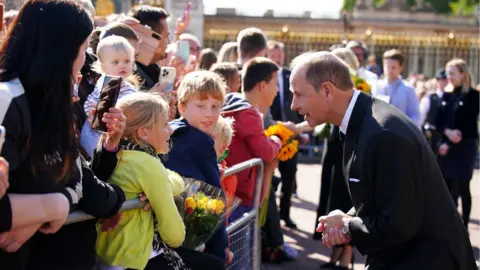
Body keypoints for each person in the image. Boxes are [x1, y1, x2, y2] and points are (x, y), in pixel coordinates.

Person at [289, 51, 476, 270]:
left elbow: (398, 224)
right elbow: (382, 196)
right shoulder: (366, 121)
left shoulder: (383, 133)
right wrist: (347, 217)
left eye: (299, 94)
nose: (293, 105)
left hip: (427, 260)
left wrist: (348, 227)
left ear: (327, 90)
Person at [0, 1, 125, 269]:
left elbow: (74, 180)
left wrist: (53, 205)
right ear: (62, 52)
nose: (86, 59)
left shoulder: (55, 107)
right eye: (84, 49)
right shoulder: (6, 99)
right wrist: (48, 207)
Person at [164, 70, 230, 262]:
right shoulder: (201, 140)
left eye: (215, 106)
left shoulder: (170, 131)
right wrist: (219, 249)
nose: (209, 114)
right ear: (182, 106)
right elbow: (214, 200)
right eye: (201, 106)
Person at [436, 59, 479, 230]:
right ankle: (451, 227)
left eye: (453, 73)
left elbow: (469, 124)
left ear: (463, 74)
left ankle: (465, 225)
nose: (449, 77)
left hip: (465, 147)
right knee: (447, 186)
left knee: (463, 186)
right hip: (447, 146)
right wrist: (447, 134)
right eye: (448, 73)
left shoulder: (474, 96)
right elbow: (438, 121)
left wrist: (455, 137)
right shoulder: (446, 95)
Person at [81, 36, 138, 157]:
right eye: (115, 62)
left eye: (127, 61)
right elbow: (89, 102)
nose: (122, 66)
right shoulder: (101, 84)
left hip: (116, 132)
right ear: (102, 67)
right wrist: (92, 112)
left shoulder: (130, 89)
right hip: (94, 130)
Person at [376, 49, 420, 126]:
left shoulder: (408, 89)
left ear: (401, 67)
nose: (389, 70)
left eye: (393, 67)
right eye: (387, 66)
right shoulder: (377, 86)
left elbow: (415, 116)